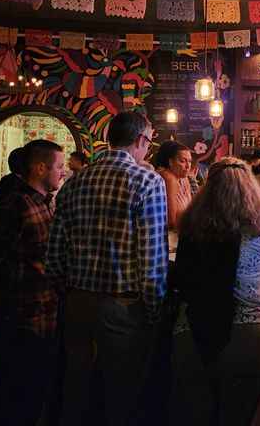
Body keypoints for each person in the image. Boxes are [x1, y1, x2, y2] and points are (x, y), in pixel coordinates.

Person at [46, 111, 168, 426]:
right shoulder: (147, 180)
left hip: (77, 300)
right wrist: (154, 310)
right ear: (141, 140)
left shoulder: (75, 180)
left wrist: (66, 292)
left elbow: (55, 248)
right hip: (122, 305)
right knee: (121, 392)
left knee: (76, 387)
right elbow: (152, 256)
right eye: (150, 143)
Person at [170, 157, 260, 426]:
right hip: (249, 333)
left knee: (196, 413)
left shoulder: (191, 226)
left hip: (192, 329)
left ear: (208, 190)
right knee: (239, 415)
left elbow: (180, 277)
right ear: (251, 187)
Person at [0, 140, 66, 426]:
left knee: (33, 397)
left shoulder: (43, 203)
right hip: (18, 321)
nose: (63, 172)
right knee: (11, 400)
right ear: (39, 168)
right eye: (58, 167)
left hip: (43, 319)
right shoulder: (16, 206)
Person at [152, 141, 193, 231]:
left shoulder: (184, 178)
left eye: (190, 161)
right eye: (182, 161)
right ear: (170, 162)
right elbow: (172, 222)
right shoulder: (168, 177)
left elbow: (191, 211)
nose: (188, 166)